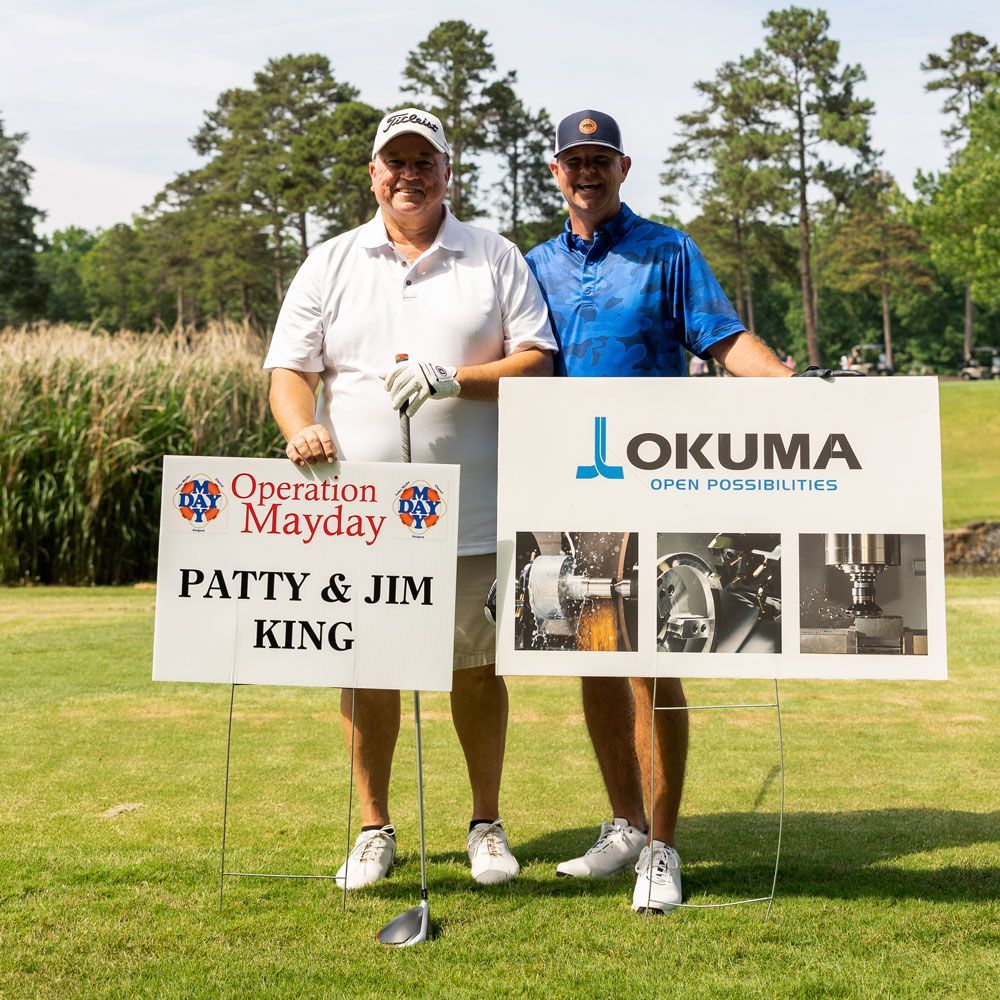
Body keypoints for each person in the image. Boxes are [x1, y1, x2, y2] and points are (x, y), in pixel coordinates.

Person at [264, 108, 556, 890]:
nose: (409, 175)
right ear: (373, 174)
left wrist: (454, 380)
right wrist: (300, 427)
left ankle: (486, 825)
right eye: (395, 161)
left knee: (477, 669)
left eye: (424, 161)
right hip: (359, 517)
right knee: (368, 668)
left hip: (476, 511)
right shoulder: (330, 262)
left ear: (446, 172)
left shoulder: (492, 255)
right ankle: (373, 829)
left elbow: (537, 362)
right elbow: (291, 373)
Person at [525, 109, 791, 914]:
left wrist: (791, 390)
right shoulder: (533, 264)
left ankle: (664, 845)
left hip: (652, 482)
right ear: (555, 171)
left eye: (600, 159)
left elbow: (723, 339)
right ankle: (625, 825)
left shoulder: (668, 251)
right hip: (566, 482)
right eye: (574, 160)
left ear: (623, 167)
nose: (587, 172)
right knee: (593, 654)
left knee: (649, 657)